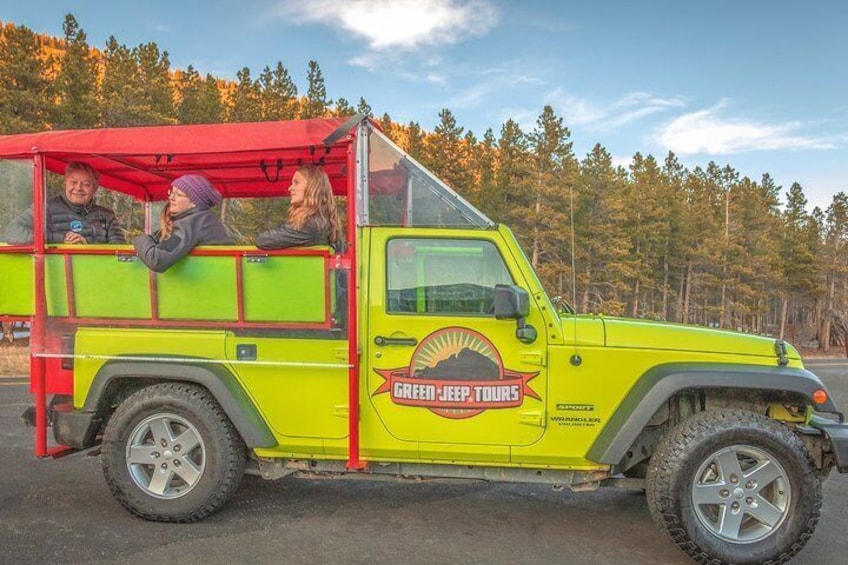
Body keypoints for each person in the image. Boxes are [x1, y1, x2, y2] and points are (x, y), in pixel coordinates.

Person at [5, 161, 125, 244]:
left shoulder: (107, 215)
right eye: (73, 182)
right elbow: (12, 231)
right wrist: (61, 238)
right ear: (65, 183)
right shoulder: (45, 208)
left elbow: (120, 251)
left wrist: (88, 246)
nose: (78, 188)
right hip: (54, 275)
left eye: (86, 184)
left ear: (95, 188)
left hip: (96, 274)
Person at [133, 174, 233, 272]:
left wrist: (140, 239)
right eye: (171, 192)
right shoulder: (202, 220)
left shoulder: (193, 222)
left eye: (178, 194)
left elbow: (157, 260)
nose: (171, 198)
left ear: (194, 202)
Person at [256, 165, 342, 250]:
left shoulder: (308, 226)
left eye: (296, 182)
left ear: (312, 187)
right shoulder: (329, 223)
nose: (290, 188)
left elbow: (262, 240)